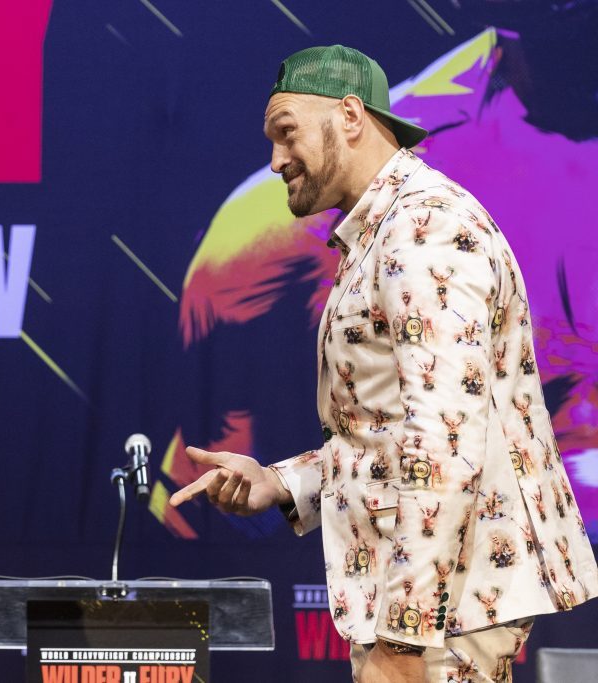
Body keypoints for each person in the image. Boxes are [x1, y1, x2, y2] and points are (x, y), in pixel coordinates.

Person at [169, 45, 598, 683]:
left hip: (443, 612)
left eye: (286, 132)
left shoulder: (424, 230)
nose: (276, 160)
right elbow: (394, 437)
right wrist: (282, 483)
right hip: (436, 603)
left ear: (350, 116)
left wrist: (404, 636)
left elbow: (445, 443)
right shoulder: (387, 230)